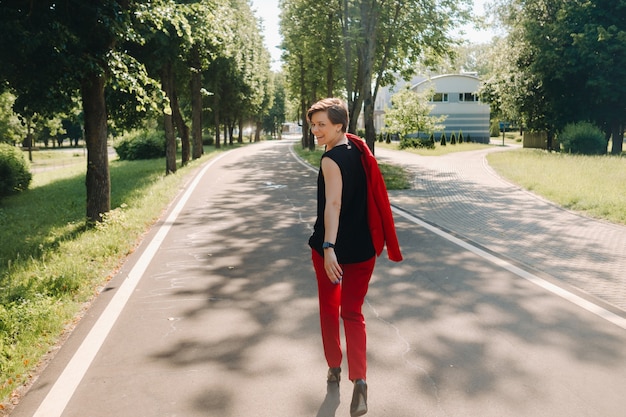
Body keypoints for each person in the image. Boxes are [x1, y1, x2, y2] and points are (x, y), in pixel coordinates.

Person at [307, 98, 402, 417]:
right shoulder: (359, 151)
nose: (315, 129)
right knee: (353, 313)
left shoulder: (331, 160)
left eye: (321, 124)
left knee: (329, 309)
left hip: (331, 249)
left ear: (338, 124)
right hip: (364, 249)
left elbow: (332, 205)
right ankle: (359, 380)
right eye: (313, 124)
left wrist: (329, 247)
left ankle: (334, 368)